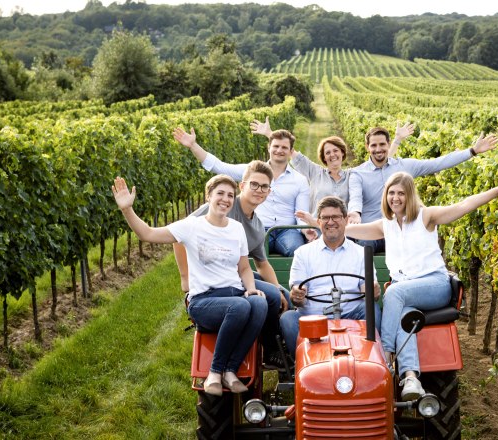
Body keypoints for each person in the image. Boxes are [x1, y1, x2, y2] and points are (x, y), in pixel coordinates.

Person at [343, 171, 498, 401]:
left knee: (394, 293)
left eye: (401, 193)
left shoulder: (425, 217)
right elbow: (347, 230)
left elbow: (464, 205)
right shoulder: (385, 225)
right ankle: (411, 377)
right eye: (391, 192)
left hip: (433, 284)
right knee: (404, 317)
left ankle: (385, 357)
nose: (395, 198)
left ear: (409, 195)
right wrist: (315, 223)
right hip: (406, 292)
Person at [111, 174, 268, 397]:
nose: (225, 199)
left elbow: (244, 268)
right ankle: (215, 372)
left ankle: (231, 369)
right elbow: (146, 233)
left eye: (230, 195)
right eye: (220, 193)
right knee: (241, 307)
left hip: (234, 293)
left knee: (260, 304)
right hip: (204, 300)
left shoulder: (236, 228)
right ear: (209, 196)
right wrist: (127, 209)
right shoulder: (191, 226)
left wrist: (251, 288)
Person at [172, 160, 289, 371]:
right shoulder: (222, 204)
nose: (258, 190)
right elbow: (178, 235)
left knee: (283, 296)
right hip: (220, 280)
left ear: (268, 192)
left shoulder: (257, 225)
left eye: (264, 187)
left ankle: (285, 350)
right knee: (270, 297)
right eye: (254, 184)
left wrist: (280, 289)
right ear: (242, 186)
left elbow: (262, 265)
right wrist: (185, 276)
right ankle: (270, 349)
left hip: (240, 275)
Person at [347, 126, 498, 252]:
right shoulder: (358, 173)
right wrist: (354, 214)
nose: (378, 149)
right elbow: (355, 198)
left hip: (400, 231)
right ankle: (365, 288)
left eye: (382, 144)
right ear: (367, 147)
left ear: (388, 144)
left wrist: (472, 151)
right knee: (362, 249)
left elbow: (438, 163)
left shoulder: (404, 166)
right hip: (370, 233)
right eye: (374, 145)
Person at [173, 126, 312, 256]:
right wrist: (193, 145)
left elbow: (301, 215)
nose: (279, 150)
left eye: (284, 147)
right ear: (269, 147)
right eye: (276, 146)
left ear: (290, 151)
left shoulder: (299, 180)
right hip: (257, 228)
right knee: (241, 252)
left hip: (288, 230)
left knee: (299, 252)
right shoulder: (251, 170)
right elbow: (219, 166)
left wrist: (306, 230)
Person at [280, 196, 381, 357]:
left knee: (371, 308)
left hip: (351, 313)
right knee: (288, 318)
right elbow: (298, 293)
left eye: (336, 217)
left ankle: (368, 358)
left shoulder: (360, 253)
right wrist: (297, 295)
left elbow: (367, 290)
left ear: (346, 220)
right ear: (318, 221)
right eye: (325, 218)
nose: (330, 222)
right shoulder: (303, 253)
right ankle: (301, 366)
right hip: (314, 317)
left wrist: (372, 291)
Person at [250, 117, 414, 214]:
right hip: (317, 228)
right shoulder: (315, 172)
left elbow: (382, 162)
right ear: (323, 157)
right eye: (327, 152)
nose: (332, 155)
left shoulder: (353, 175)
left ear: (343, 153)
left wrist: (397, 141)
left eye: (336, 150)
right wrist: (269, 134)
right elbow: (289, 151)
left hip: (343, 230)